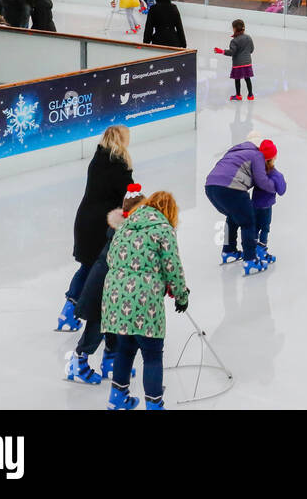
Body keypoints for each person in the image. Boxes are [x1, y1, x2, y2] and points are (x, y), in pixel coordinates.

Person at [102, 191, 189, 411]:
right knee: (152, 355)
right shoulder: (163, 229)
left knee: (125, 348)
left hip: (115, 298)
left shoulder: (124, 227)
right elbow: (173, 268)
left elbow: (111, 258)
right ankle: (154, 406)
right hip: (145, 302)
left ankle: (117, 399)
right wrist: (181, 296)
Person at [66, 182, 145, 385]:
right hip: (101, 288)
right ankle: (78, 363)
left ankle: (110, 362)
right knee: (96, 328)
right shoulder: (125, 233)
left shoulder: (124, 228)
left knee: (113, 327)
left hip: (111, 288)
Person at [59, 125, 133, 332]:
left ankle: (68, 312)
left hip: (84, 220)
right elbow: (128, 196)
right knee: (96, 269)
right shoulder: (118, 164)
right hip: (100, 224)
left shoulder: (97, 159)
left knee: (87, 266)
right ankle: (89, 314)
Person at [204, 138, 280, 275]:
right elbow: (262, 181)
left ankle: (229, 250)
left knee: (233, 217)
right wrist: (275, 186)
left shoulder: (238, 150)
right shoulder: (258, 156)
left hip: (211, 187)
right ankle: (250, 259)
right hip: (231, 188)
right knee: (248, 221)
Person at [252, 154, 286, 263]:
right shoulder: (275, 174)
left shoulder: (258, 171)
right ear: (273, 158)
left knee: (255, 227)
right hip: (266, 206)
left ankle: (251, 249)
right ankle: (261, 250)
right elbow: (281, 190)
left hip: (255, 204)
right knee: (265, 228)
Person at [214, 18, 255, 99]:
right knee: (247, 78)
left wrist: (222, 51)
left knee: (237, 79)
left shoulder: (234, 41)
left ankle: (238, 95)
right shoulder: (248, 37)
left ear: (235, 29)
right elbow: (251, 49)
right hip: (247, 63)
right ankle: (250, 95)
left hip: (238, 64)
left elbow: (231, 52)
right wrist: (246, 54)